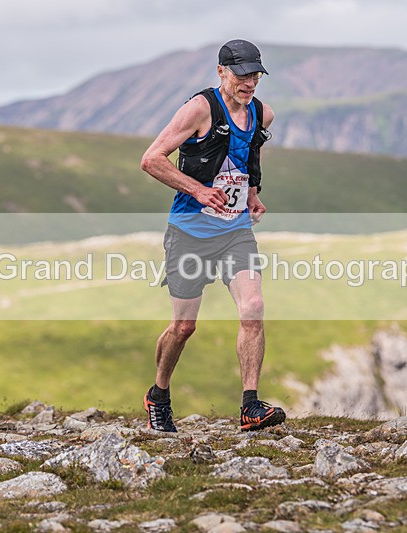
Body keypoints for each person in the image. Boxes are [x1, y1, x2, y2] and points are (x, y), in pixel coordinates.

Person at [139, 39, 286, 432]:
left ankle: (250, 407)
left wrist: (252, 195)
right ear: (221, 72)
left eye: (255, 75)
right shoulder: (200, 109)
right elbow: (151, 159)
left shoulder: (262, 114)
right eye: (242, 75)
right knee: (184, 327)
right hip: (189, 231)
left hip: (235, 231)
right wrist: (198, 190)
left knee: (253, 308)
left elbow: (248, 157)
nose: (249, 83)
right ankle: (159, 395)